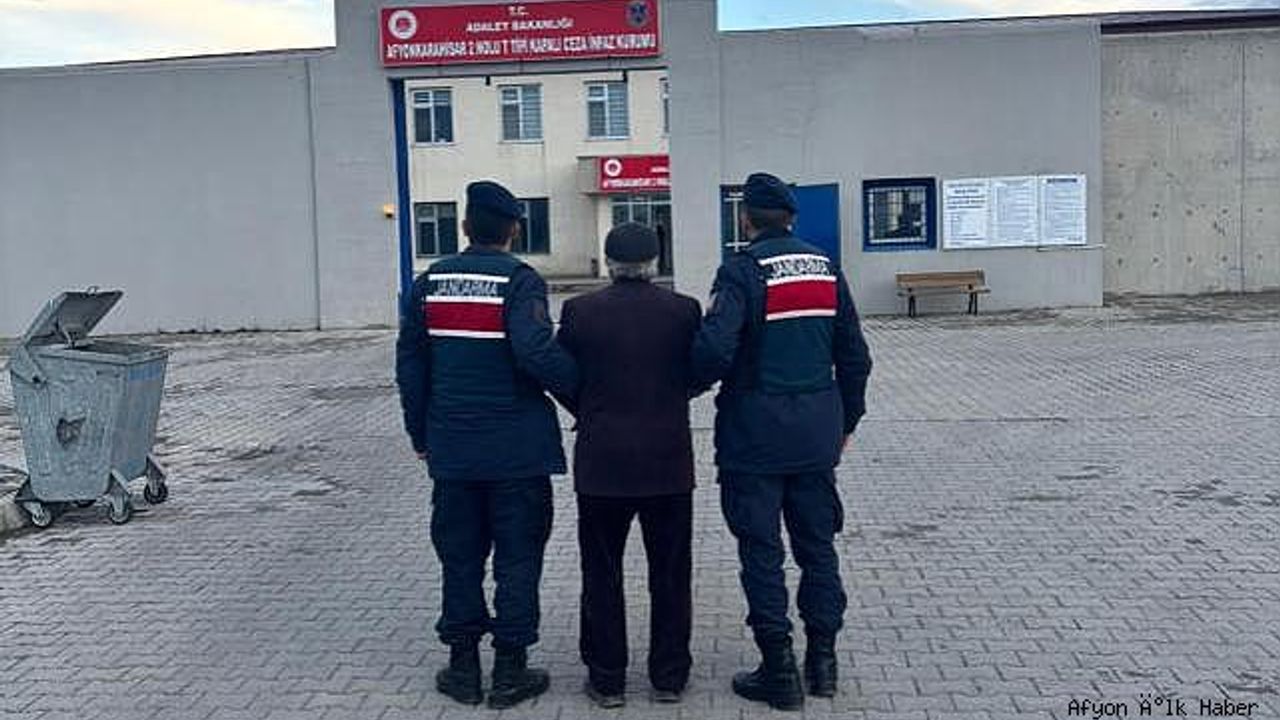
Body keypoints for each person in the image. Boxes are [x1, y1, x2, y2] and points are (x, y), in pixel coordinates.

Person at [691, 173, 872, 710]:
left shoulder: (742, 271)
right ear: (791, 218)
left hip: (754, 438)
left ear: (746, 218)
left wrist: (679, 386)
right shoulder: (825, 268)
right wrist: (846, 422)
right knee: (817, 548)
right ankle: (823, 663)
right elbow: (855, 357)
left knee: (761, 553)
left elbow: (714, 349)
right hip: (816, 435)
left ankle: (778, 669)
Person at [395, 180, 578, 710]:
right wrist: (588, 400)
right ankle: (511, 670)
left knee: (460, 556)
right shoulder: (519, 281)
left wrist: (420, 434)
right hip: (517, 451)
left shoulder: (429, 283)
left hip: (453, 449)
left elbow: (411, 366)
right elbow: (536, 352)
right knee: (518, 557)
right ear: (514, 229)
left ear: (464, 227)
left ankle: (463, 668)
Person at [556, 223, 702, 709]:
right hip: (667, 461)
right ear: (655, 263)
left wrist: (585, 406)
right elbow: (704, 364)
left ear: (609, 263)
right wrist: (678, 396)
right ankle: (669, 677)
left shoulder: (580, 312)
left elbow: (560, 370)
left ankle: (607, 679)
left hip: (603, 461)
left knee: (601, 571)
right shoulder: (684, 311)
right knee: (671, 573)